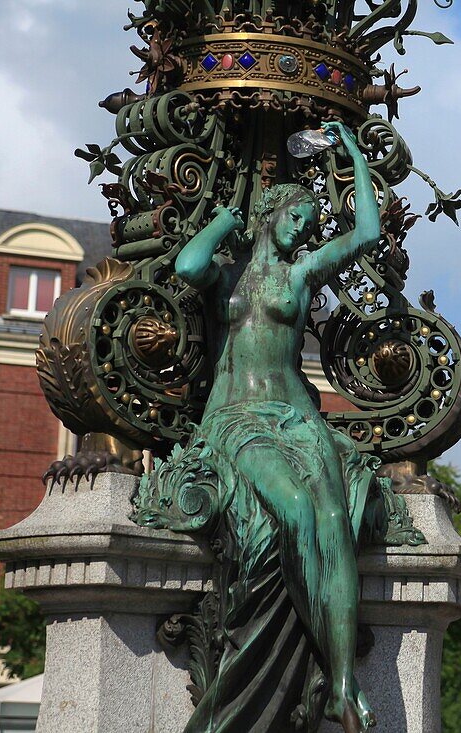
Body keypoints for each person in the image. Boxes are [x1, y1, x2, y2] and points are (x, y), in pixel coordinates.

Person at [134, 121, 381, 732]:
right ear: (270, 214)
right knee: (295, 507)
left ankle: (344, 684)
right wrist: (222, 220)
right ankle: (305, 662)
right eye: (296, 215)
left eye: (309, 217)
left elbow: (368, 233)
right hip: (237, 419)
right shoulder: (226, 273)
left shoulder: (299, 276)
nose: (305, 226)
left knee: (331, 518)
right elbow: (188, 266)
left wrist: (351, 156)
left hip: (297, 414)